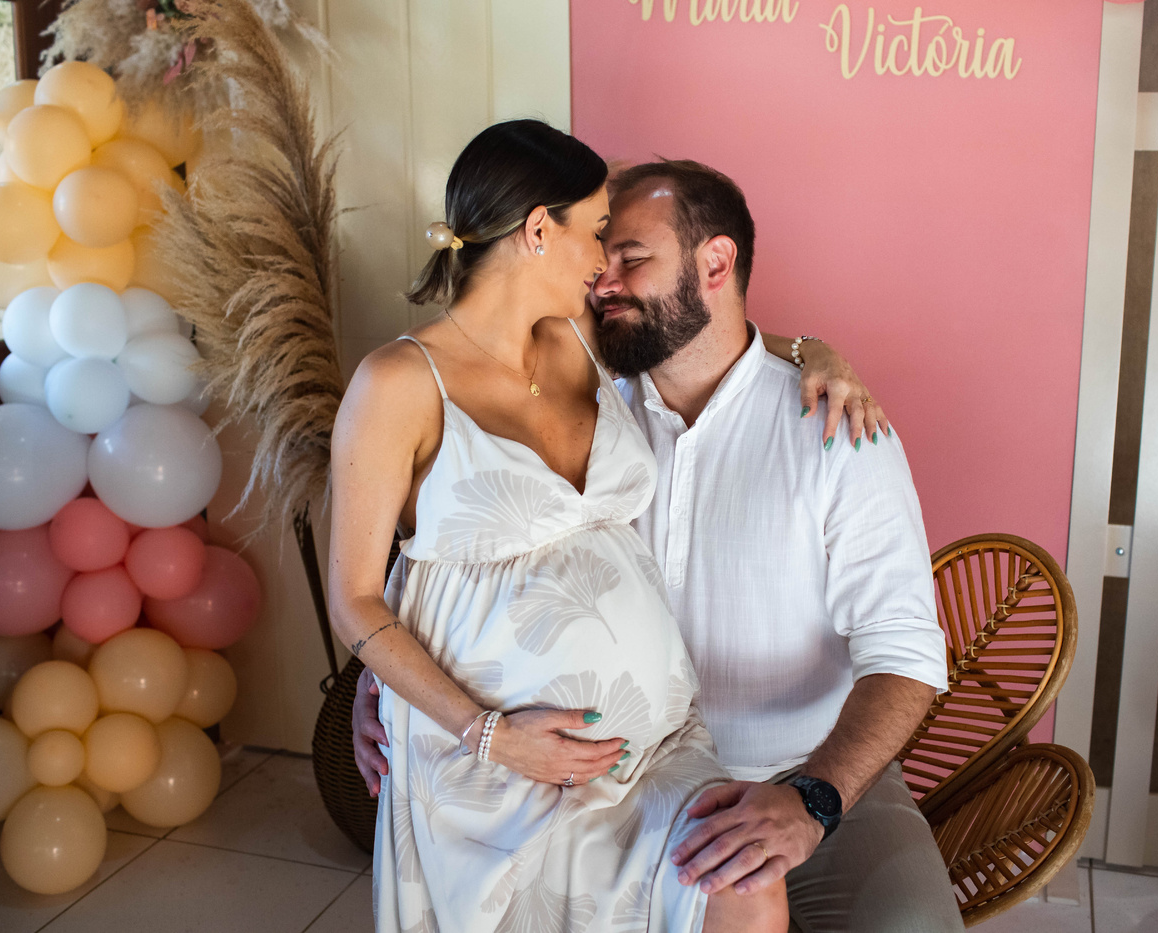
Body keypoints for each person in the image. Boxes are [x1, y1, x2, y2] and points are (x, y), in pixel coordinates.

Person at [353, 157, 963, 932]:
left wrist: (813, 798)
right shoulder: (584, 405)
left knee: (910, 926)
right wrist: (389, 681)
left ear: (716, 263)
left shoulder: (834, 431)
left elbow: (905, 652)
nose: (601, 281)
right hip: (618, 782)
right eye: (598, 255)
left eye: (631, 259)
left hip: (804, 769)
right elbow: (459, 550)